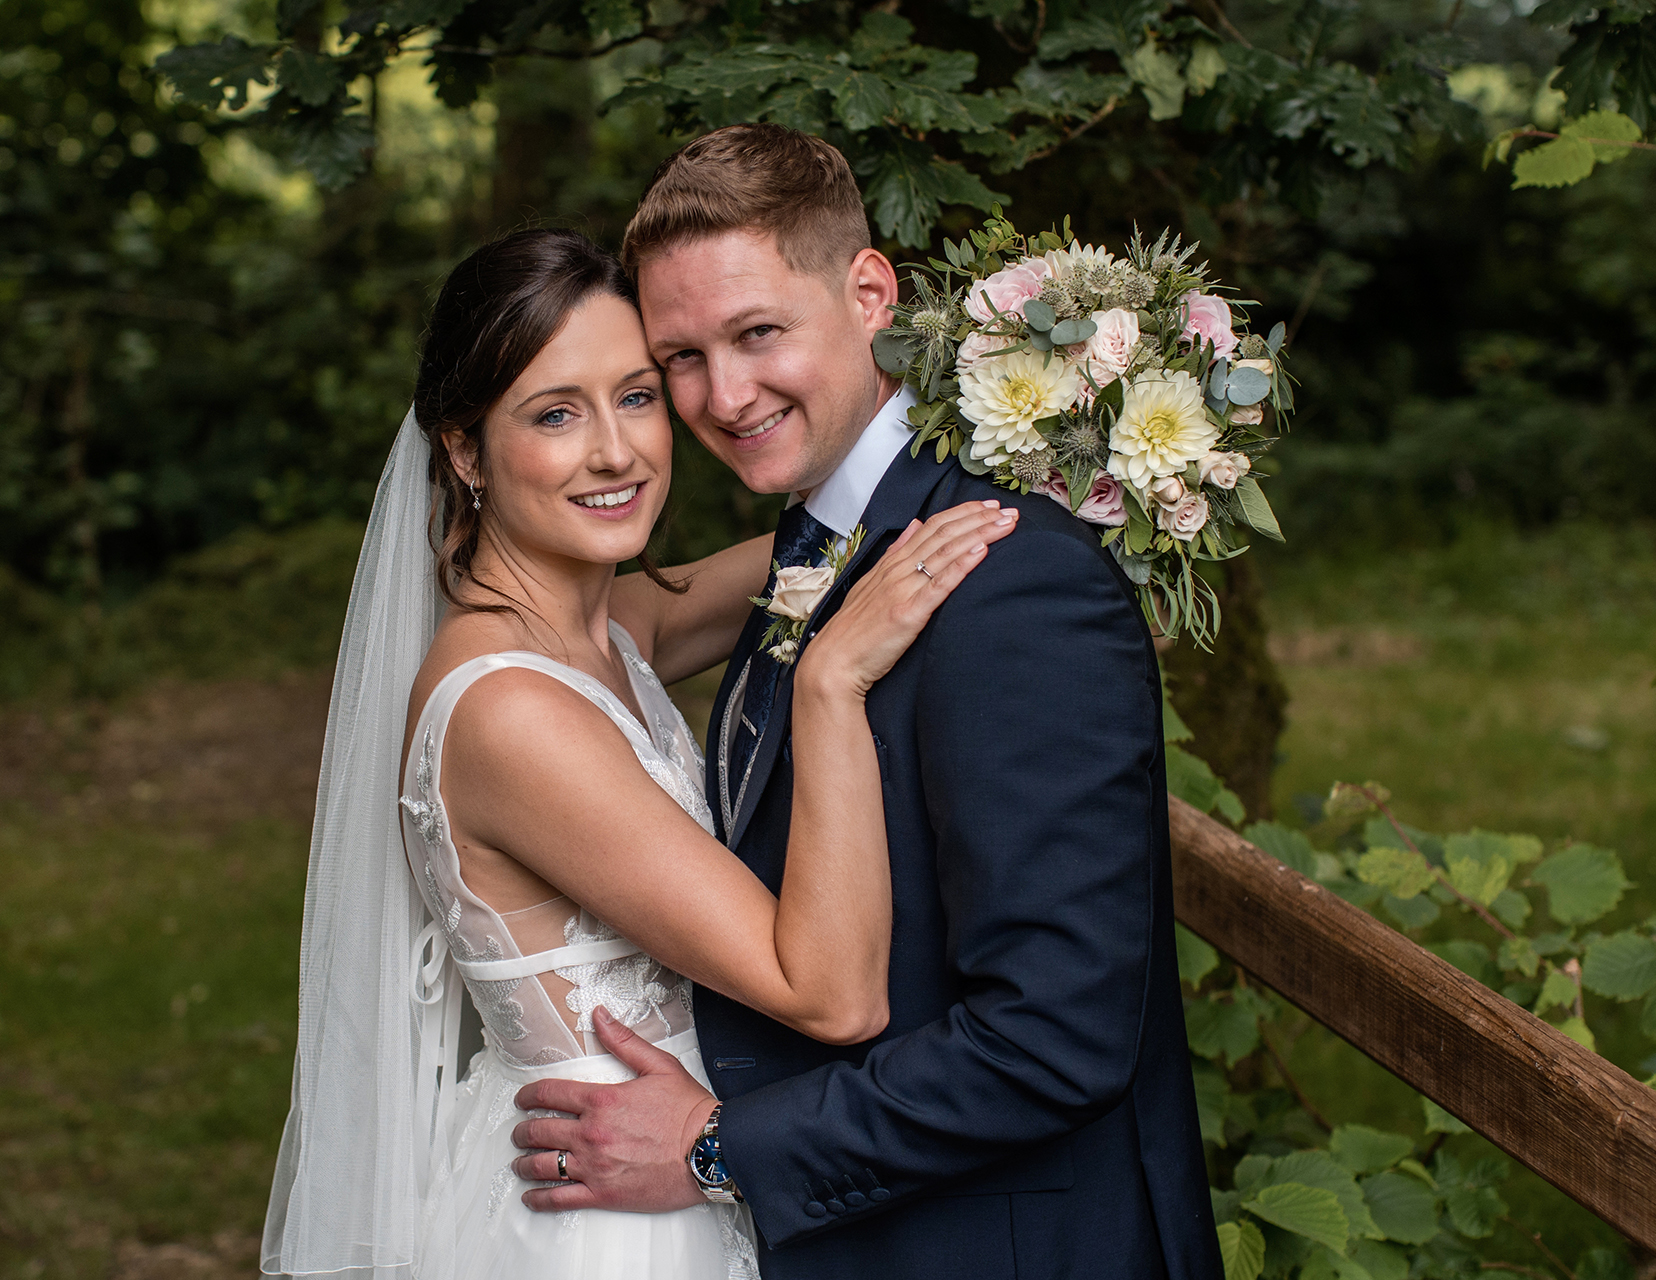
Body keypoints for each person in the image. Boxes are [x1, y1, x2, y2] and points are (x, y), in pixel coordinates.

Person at [504, 126, 1222, 1280]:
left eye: (759, 333)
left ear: (870, 291)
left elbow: (1056, 1034)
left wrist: (718, 1147)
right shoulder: (830, 542)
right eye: (679, 357)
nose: (723, 395)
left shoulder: (1005, 579)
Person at [258, 227, 1018, 1280]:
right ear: (467, 450)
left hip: (682, 1163)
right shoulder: (511, 712)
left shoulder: (607, 626)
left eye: (637, 395)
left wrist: (1039, 429)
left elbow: (849, 533)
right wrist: (831, 684)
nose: (616, 450)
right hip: (611, 1216)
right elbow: (832, 991)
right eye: (556, 413)